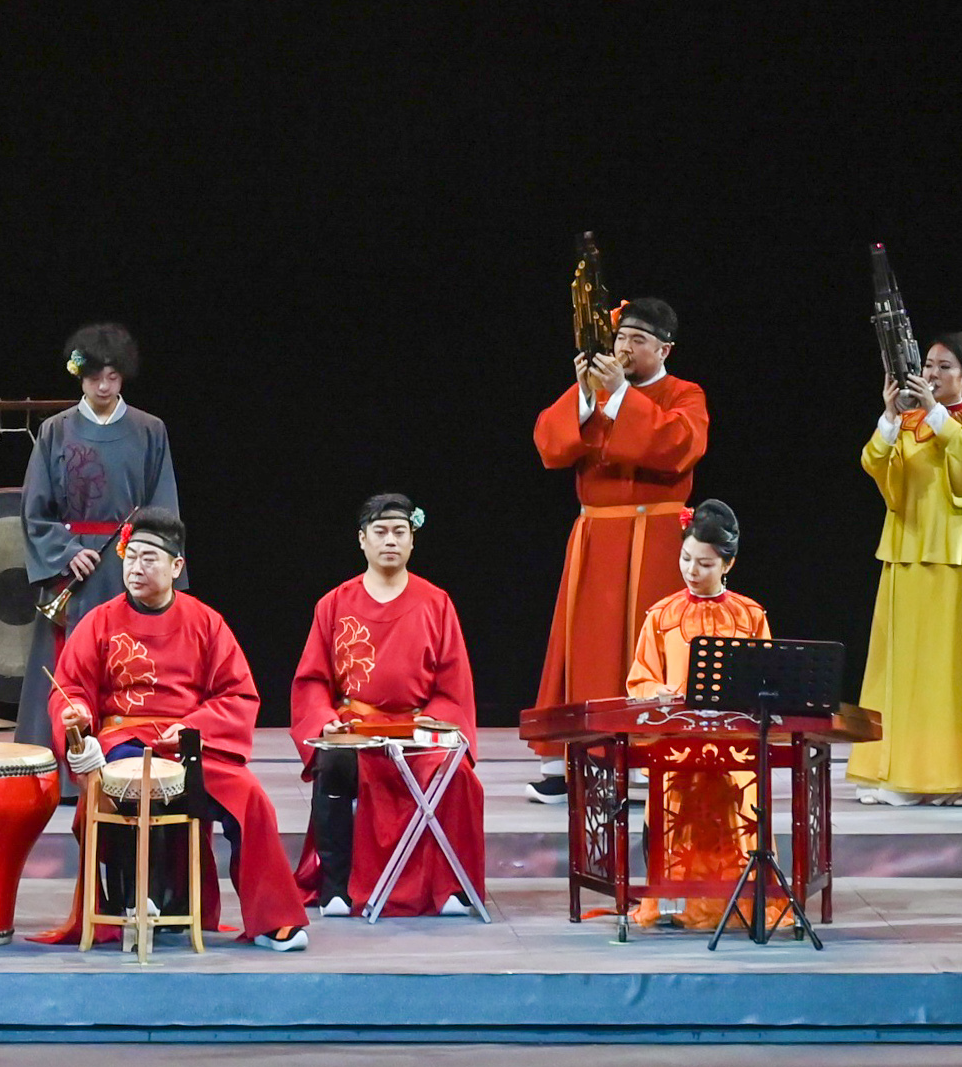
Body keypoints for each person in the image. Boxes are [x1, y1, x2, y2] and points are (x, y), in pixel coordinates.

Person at [40, 512, 308, 949]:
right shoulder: (99, 622)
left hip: (189, 744)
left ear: (176, 566)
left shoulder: (206, 622)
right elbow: (70, 688)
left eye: (149, 558)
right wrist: (76, 715)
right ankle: (139, 896)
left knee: (251, 798)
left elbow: (238, 695)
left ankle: (273, 919)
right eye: (130, 557)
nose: (136, 568)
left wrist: (191, 727)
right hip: (123, 741)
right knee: (130, 782)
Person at [526, 296, 708, 792]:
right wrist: (587, 394)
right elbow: (550, 445)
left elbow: (678, 446)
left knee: (651, 645)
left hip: (656, 536)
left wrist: (623, 394)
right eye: (620, 337)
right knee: (587, 645)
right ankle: (574, 756)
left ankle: (649, 757)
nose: (624, 347)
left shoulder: (685, 393)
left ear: (664, 349)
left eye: (638, 340)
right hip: (597, 534)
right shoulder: (597, 391)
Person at [287, 492, 484, 918]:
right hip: (357, 728)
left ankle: (447, 886)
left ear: (412, 540)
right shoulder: (334, 603)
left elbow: (453, 685)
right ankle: (336, 886)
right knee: (333, 764)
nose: (390, 540)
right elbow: (313, 680)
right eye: (380, 532)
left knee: (456, 776)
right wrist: (324, 721)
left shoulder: (436, 602)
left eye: (399, 532)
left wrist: (434, 724)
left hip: (418, 729)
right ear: (362, 540)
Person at [845, 327, 962, 805]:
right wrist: (888, 416)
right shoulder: (908, 421)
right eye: (927, 366)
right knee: (906, 668)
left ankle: (959, 778)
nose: (932, 374)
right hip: (910, 552)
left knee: (958, 670)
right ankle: (904, 774)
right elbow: (875, 464)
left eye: (944, 367)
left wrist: (936, 414)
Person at [17, 322, 179, 748]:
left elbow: (163, 508)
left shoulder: (149, 429)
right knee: (67, 666)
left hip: (130, 563)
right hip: (74, 570)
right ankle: (62, 764)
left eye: (112, 376)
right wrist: (66, 551)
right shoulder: (55, 430)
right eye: (94, 377)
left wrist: (153, 563)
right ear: (80, 376)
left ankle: (127, 754)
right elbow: (35, 509)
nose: (104, 386)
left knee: (128, 660)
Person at [619, 499, 774, 928]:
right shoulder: (661, 616)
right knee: (674, 809)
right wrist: (657, 692)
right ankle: (676, 903)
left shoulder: (750, 615)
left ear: (728, 564)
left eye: (705, 564)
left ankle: (737, 903)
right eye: (686, 558)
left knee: (738, 809)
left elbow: (767, 681)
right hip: (678, 742)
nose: (692, 570)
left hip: (734, 743)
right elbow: (639, 680)